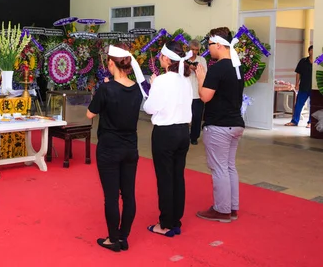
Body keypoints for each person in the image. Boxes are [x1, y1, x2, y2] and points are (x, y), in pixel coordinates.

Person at [86, 44, 147, 252]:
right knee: (128, 195)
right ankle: (124, 237)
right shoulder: (138, 88)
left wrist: (103, 91)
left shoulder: (106, 88)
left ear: (112, 63)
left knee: (111, 196)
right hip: (131, 147)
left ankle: (113, 239)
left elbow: (90, 114)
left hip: (109, 147)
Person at [143, 40, 193, 237]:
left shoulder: (162, 81)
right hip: (183, 132)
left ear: (166, 58)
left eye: (160, 57)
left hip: (165, 133)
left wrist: (152, 87)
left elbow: (149, 108)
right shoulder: (186, 80)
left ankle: (164, 224)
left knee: (165, 178)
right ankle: (175, 220)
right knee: (177, 176)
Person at [195, 27, 244, 223]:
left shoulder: (218, 68)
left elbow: (205, 97)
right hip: (235, 123)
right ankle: (232, 207)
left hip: (220, 125)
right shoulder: (236, 65)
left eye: (209, 45)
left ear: (218, 44)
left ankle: (222, 210)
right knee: (229, 166)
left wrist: (201, 79)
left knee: (220, 168)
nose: (209, 49)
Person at [285, 45, 313, 128]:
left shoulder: (319, 62)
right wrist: (297, 84)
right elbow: (298, 73)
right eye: (311, 50)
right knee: (298, 104)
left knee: (313, 105)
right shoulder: (303, 61)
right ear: (309, 51)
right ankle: (294, 121)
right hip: (303, 86)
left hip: (314, 88)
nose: (312, 52)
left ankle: (310, 122)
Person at [187, 40, 208, 145]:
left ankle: (194, 137)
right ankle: (185, 136)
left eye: (196, 50)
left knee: (197, 116)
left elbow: (204, 73)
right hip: (185, 93)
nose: (194, 52)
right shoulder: (183, 60)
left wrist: (195, 69)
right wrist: (187, 67)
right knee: (185, 116)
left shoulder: (202, 60)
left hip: (198, 92)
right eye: (192, 49)